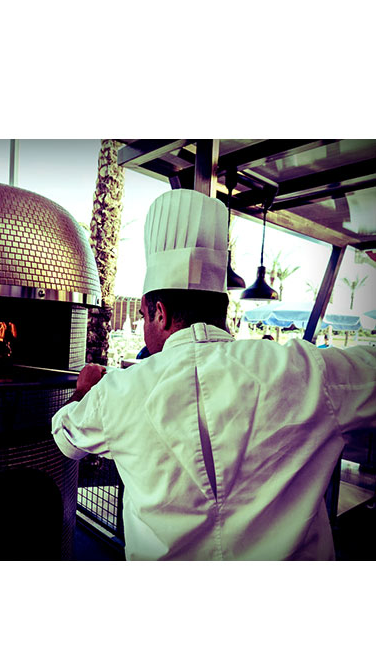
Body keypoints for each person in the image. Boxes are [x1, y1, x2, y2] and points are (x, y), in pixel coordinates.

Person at [52, 190, 376, 560]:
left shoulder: (118, 391)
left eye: (143, 316)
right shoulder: (306, 372)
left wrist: (86, 389)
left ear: (159, 312)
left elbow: (65, 435)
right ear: (221, 308)